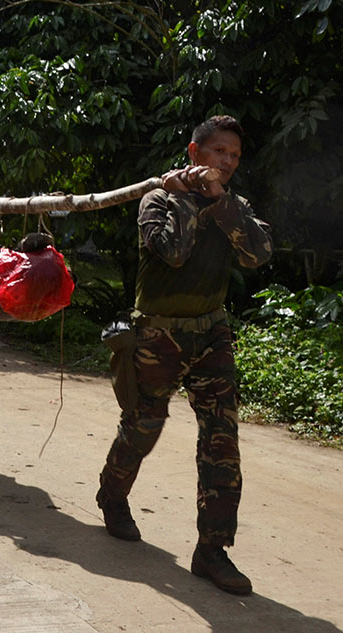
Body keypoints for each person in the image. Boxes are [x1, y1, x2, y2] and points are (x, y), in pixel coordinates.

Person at [95, 115, 272, 596]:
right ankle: (112, 497)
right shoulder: (157, 199)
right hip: (159, 336)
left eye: (234, 156)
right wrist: (184, 197)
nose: (228, 162)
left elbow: (258, 254)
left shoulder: (231, 204)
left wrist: (221, 204)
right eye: (219, 152)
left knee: (221, 441)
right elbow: (172, 252)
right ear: (196, 153)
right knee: (143, 426)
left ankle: (212, 551)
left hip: (211, 332)